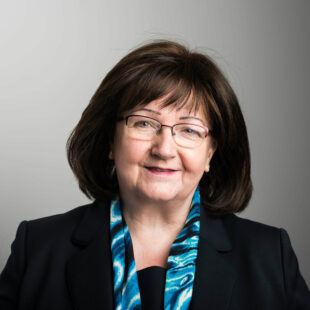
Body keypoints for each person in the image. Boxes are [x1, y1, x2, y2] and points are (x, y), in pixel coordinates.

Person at [0, 40, 309, 310]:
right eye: (144, 123)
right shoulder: (38, 248)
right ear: (111, 140)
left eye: (189, 130)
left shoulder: (270, 256)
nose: (164, 148)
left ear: (210, 153)